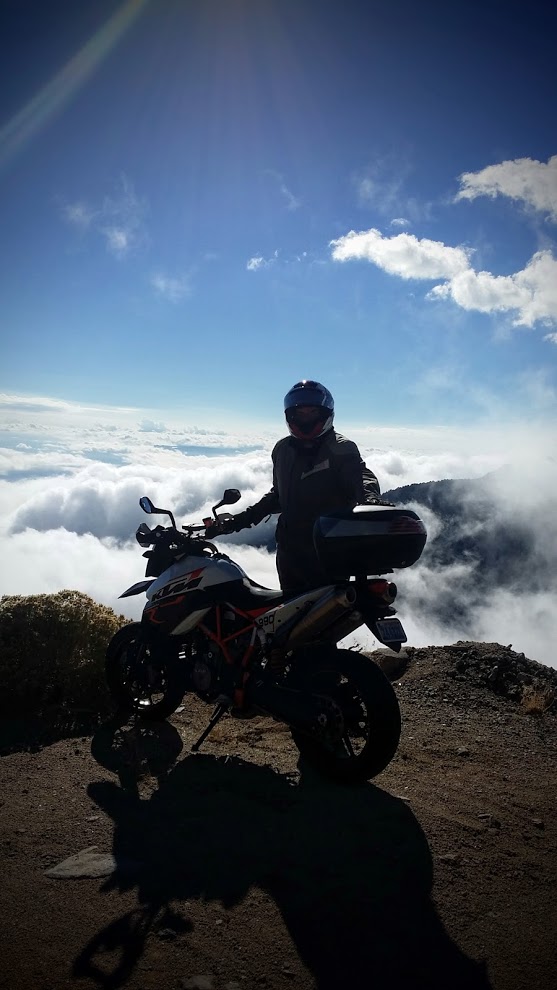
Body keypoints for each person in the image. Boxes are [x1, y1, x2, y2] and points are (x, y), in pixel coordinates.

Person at [211, 380, 383, 595]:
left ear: (325, 413)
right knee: (290, 610)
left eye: (312, 412)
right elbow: (278, 496)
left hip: (327, 551)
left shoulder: (341, 448)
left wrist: (371, 499)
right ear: (290, 415)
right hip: (289, 551)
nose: (305, 418)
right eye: (300, 413)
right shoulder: (282, 449)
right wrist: (236, 522)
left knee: (328, 611)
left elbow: (361, 476)